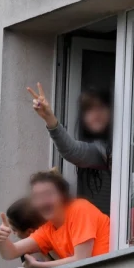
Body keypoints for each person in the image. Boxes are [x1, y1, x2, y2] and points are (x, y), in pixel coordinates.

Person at [27, 83, 113, 213]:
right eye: (88, 109)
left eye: (100, 107)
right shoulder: (99, 149)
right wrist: (49, 118)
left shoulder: (130, 144)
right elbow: (71, 150)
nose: (95, 114)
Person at [0, 171, 110, 268]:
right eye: (37, 197)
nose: (43, 202)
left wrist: (39, 266)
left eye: (48, 194)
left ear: (63, 196)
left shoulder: (80, 209)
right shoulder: (48, 229)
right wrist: (2, 240)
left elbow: (81, 259)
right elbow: (11, 253)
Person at [4, 197, 55, 268]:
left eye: (14, 230)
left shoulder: (55, 244)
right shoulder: (27, 251)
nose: (14, 233)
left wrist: (39, 265)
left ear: (30, 232)